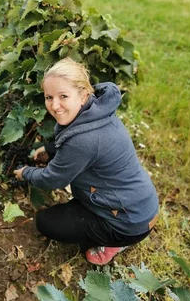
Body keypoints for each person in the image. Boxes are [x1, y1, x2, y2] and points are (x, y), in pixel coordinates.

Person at [14, 57, 159, 265]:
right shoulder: (97, 113)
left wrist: (25, 172)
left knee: (45, 223)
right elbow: (76, 145)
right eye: (48, 97)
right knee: (64, 214)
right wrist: (48, 149)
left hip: (128, 222)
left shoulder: (83, 141)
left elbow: (52, 179)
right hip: (140, 206)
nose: (54, 105)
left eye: (63, 96)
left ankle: (115, 243)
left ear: (83, 95)